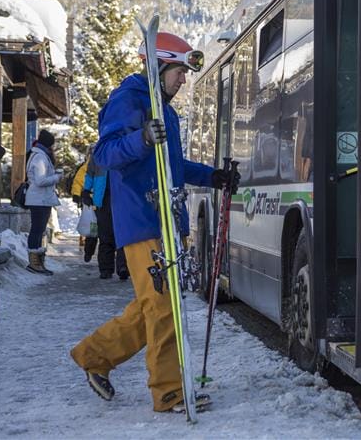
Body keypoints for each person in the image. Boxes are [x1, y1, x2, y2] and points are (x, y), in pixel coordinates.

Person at [70, 32, 238, 414]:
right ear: (159, 66)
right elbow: (105, 153)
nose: (183, 80)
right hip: (143, 220)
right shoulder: (129, 99)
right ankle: (169, 392)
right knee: (163, 308)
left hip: (166, 220)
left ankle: (93, 355)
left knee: (156, 304)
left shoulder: (165, 109)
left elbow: (173, 167)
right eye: (179, 71)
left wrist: (212, 176)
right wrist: (142, 139)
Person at [81, 159, 129, 280]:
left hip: (121, 198)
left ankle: (122, 267)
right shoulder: (99, 154)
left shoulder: (122, 150)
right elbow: (90, 173)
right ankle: (106, 269)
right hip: (102, 199)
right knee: (105, 235)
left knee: (121, 234)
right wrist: (86, 190)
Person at [24, 129, 63, 275]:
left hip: (41, 199)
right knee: (37, 230)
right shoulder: (40, 157)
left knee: (39, 231)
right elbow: (40, 181)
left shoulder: (39, 155)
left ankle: (38, 262)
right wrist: (57, 177)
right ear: (47, 144)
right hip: (39, 199)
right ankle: (34, 263)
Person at [71, 152, 98, 260]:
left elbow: (78, 181)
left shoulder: (87, 166)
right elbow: (78, 181)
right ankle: (89, 251)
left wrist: (77, 194)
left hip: (93, 202)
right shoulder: (87, 167)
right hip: (91, 203)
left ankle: (90, 251)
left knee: (96, 230)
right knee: (93, 230)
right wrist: (76, 194)